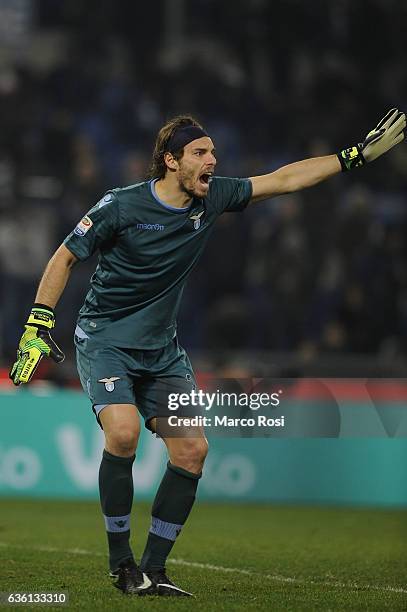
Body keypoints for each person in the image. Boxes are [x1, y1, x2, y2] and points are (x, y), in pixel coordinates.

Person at [9, 109, 405, 597]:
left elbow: (284, 179)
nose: (213, 160)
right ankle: (121, 564)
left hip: (162, 350)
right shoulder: (120, 206)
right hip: (106, 338)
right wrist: (37, 322)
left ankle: (153, 571)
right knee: (125, 432)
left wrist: (352, 158)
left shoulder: (213, 196)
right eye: (200, 152)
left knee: (193, 450)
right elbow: (65, 255)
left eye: (213, 152)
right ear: (171, 162)